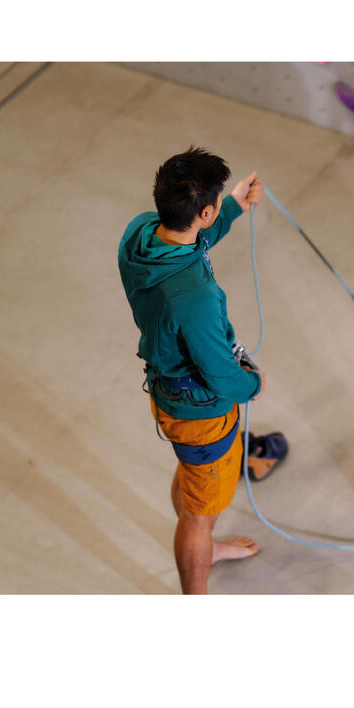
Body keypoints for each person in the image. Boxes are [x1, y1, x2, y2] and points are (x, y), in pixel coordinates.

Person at [118, 146, 284, 594]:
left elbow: (192, 240)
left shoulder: (139, 235)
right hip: (201, 414)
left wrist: (232, 207)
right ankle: (197, 575)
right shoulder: (193, 298)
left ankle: (202, 540)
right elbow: (220, 374)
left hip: (168, 391)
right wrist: (252, 383)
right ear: (202, 211)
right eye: (214, 206)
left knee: (194, 487)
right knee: (198, 514)